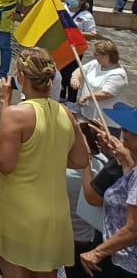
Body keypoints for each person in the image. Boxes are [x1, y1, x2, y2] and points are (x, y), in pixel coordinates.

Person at [0, 46, 88, 278]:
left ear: (21, 77)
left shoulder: (16, 114)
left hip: (19, 212)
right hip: (55, 214)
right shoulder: (65, 113)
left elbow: (5, 164)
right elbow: (80, 159)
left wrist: (1, 118)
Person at [79, 103, 137, 276]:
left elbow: (133, 228)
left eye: (127, 131)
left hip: (127, 266)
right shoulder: (131, 166)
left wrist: (97, 252)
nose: (121, 133)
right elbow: (128, 190)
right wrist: (123, 158)